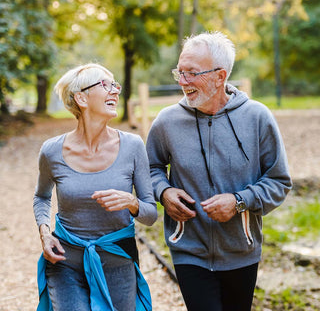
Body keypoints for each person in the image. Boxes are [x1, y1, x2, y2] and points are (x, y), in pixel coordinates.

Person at [146, 31, 292, 311]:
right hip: (188, 250)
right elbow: (150, 168)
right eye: (180, 72)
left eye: (192, 73)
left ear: (220, 76)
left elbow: (279, 181)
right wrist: (164, 192)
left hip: (242, 250)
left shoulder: (257, 117)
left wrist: (239, 202)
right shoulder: (167, 121)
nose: (183, 81)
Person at [33, 63, 157, 311]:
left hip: (118, 262)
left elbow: (151, 214)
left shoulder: (132, 146)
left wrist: (131, 203)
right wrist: (45, 234)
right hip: (65, 264)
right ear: (81, 98)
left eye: (115, 86)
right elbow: (42, 197)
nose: (115, 91)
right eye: (105, 85)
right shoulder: (52, 150)